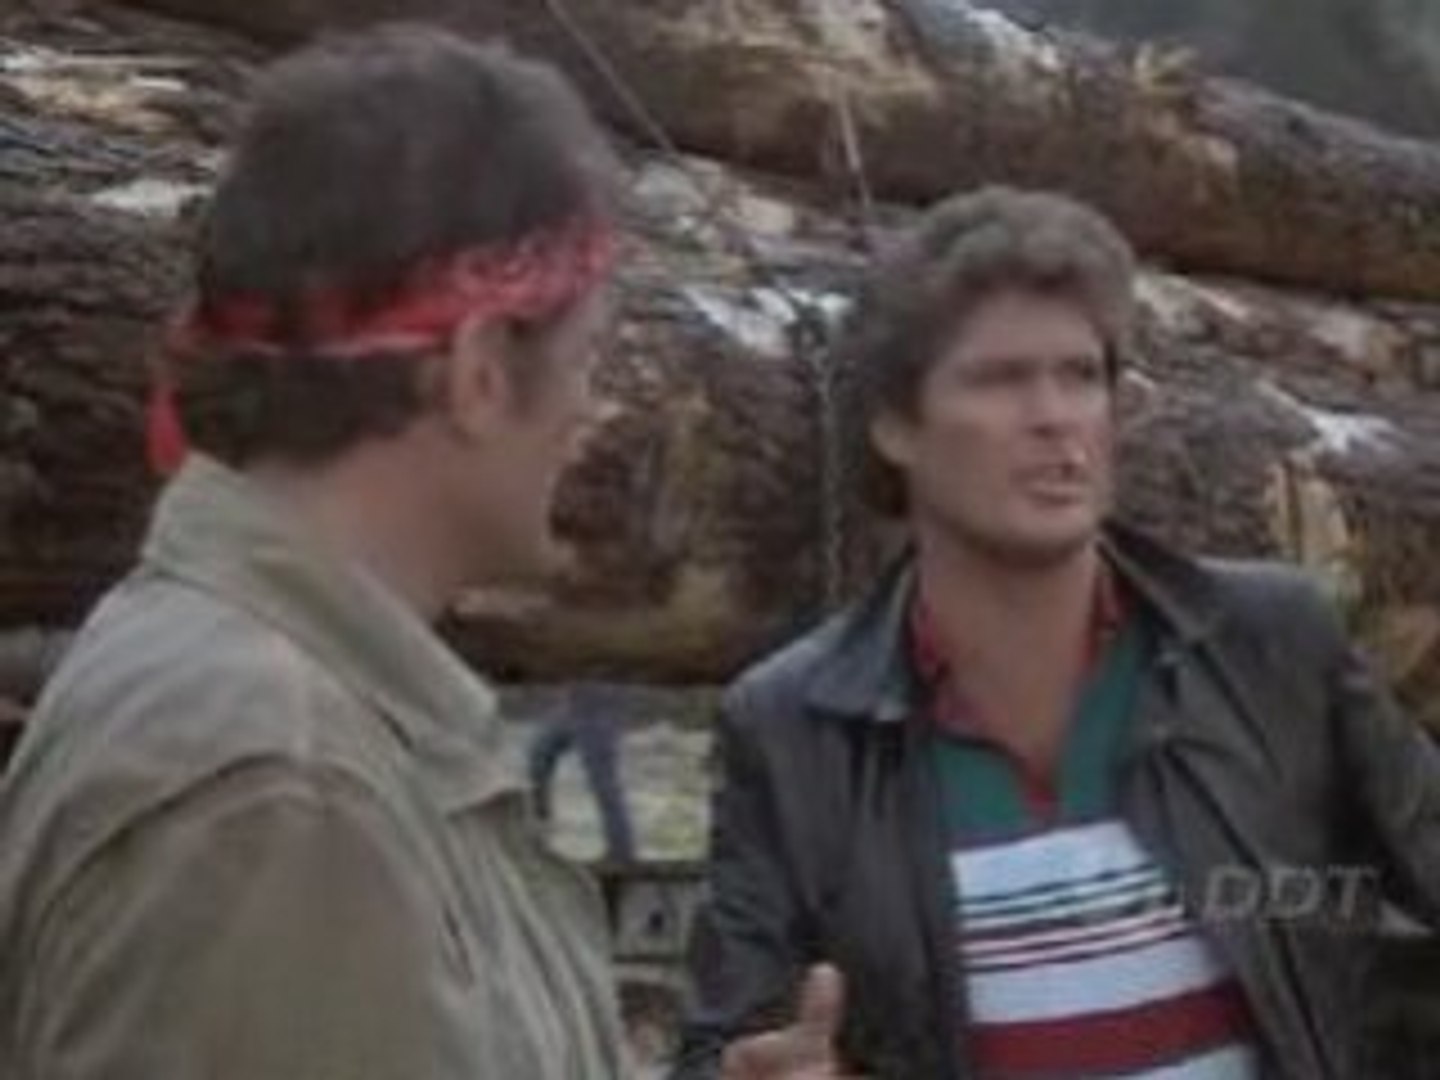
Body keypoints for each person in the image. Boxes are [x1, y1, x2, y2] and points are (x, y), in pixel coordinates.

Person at [671, 188, 1440, 1078]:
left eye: (1080, 375)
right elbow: (723, 1048)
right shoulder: (794, 730)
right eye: (1000, 379)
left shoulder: (1271, 645)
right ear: (895, 426)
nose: (1054, 416)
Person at [0, 25, 630, 1078]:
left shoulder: (298, 715)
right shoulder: (283, 791)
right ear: (478, 371)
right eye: (587, 359)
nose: (591, 413)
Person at [529, 681, 638, 864]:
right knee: (539, 753)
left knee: (604, 784)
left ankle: (622, 853)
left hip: (600, 707)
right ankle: (542, 825)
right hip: (574, 705)